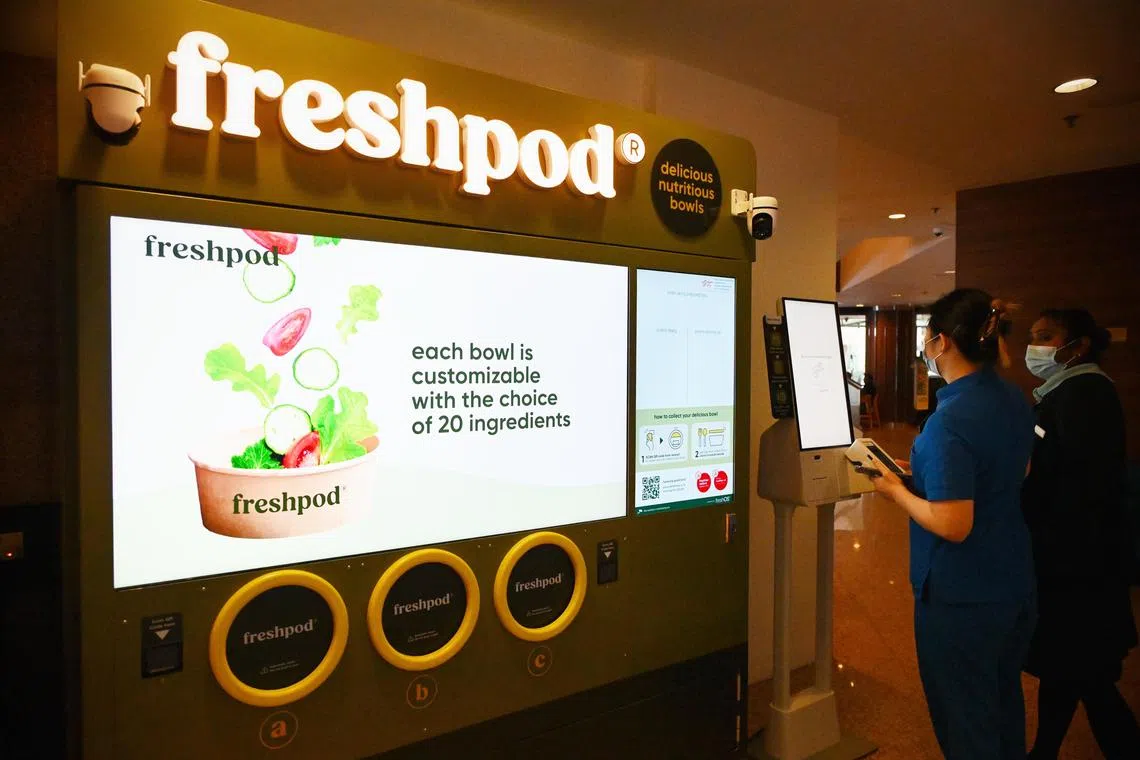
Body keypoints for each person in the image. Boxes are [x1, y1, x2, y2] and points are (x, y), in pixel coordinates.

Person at [869, 288, 1036, 759]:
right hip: (1013, 584)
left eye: (926, 337)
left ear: (942, 341)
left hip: (963, 598)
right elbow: (1016, 470)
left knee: (965, 722)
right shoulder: (1012, 398)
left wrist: (896, 491)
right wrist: (920, 470)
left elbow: (953, 523)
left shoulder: (950, 421)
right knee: (1002, 705)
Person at [1021, 308, 1140, 759]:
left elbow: (1074, 481)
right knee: (1069, 670)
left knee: (1085, 675)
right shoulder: (1067, 392)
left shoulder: (1084, 395)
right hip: (1075, 559)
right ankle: (1044, 751)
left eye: (1047, 337)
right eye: (1035, 337)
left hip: (1079, 566)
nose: (1037, 348)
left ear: (1080, 345)